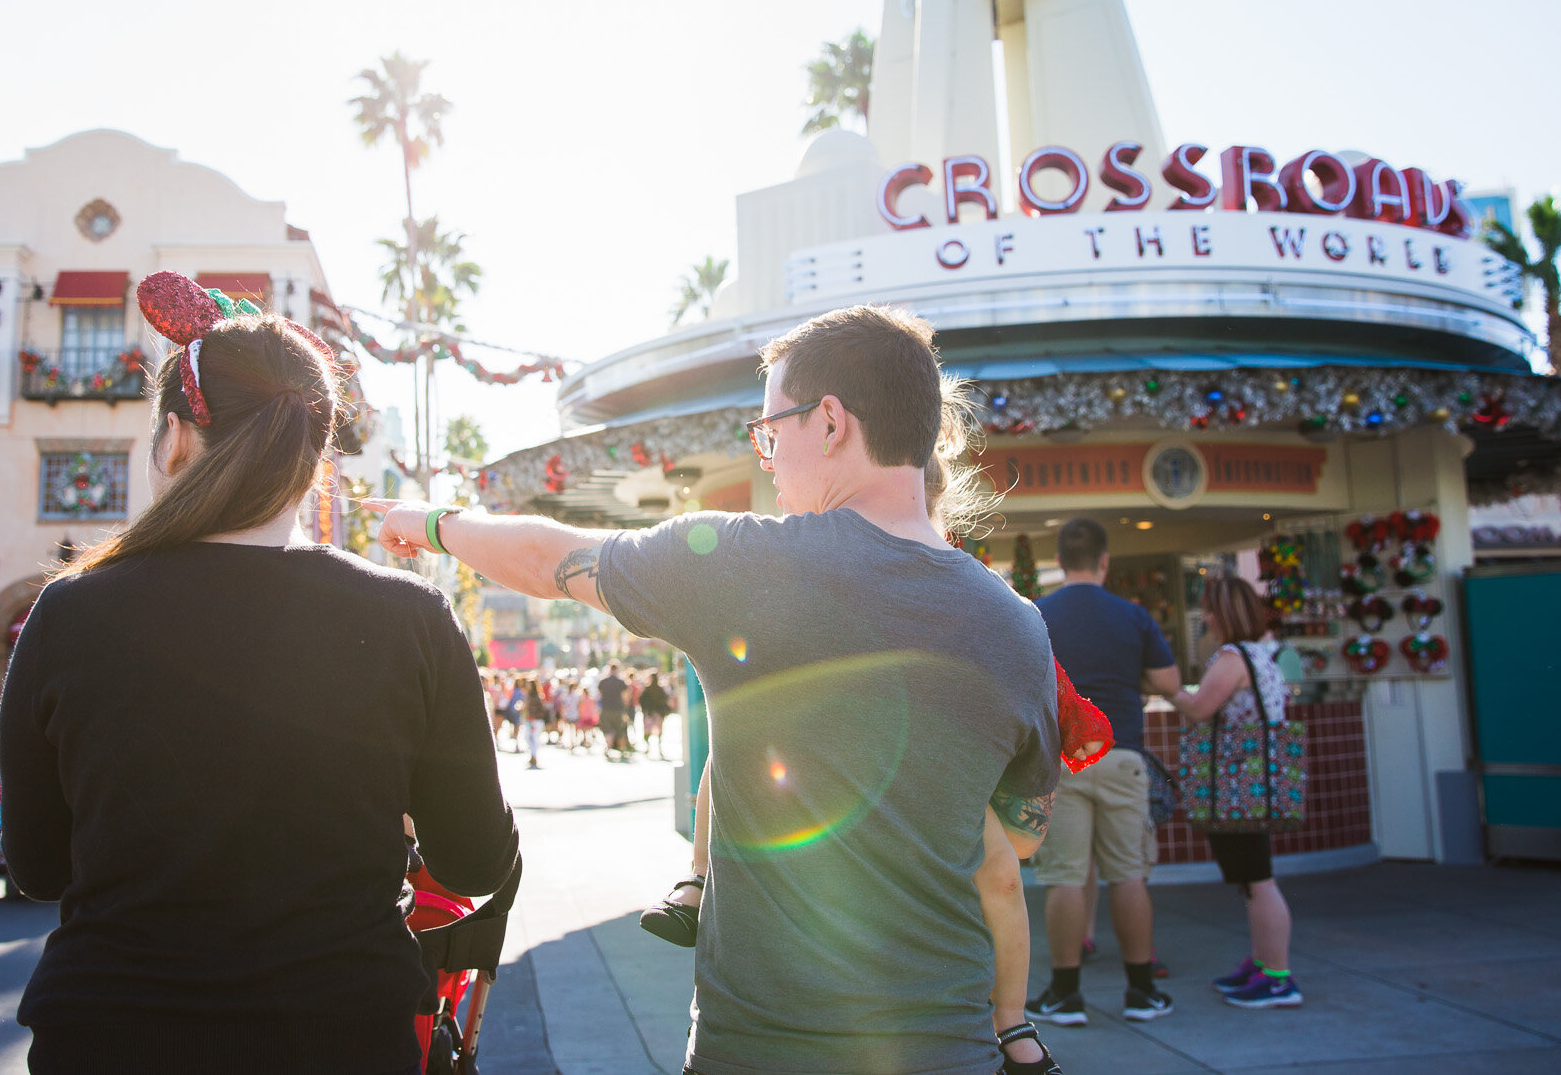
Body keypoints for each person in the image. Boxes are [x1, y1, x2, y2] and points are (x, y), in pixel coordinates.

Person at [371, 303, 1060, 1075]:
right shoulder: (1018, 626)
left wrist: (428, 523)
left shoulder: (740, 564)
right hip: (948, 1048)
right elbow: (1023, 829)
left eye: (771, 429)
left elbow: (545, 557)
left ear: (829, 422)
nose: (765, 454)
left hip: (761, 1048)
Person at [0, 272, 516, 1073]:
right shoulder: (409, 618)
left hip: (110, 1033)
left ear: (174, 437)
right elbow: (479, 856)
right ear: (315, 462)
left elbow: (36, 865)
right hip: (339, 1032)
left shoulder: (68, 612)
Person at [1026, 518, 1179, 1027]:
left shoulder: (1038, 615)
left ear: (1062, 561)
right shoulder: (1131, 616)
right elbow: (1170, 681)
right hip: (1122, 757)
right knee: (1128, 874)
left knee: (1065, 878)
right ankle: (1141, 992)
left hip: (1063, 760)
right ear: (1105, 560)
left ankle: (1065, 995)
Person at [1169, 577, 1303, 1009]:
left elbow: (1200, 707)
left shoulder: (1232, 658)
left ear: (1226, 613)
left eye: (1210, 609)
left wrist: (1167, 687)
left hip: (1236, 787)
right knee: (1251, 881)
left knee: (1258, 880)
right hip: (1254, 784)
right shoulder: (1263, 654)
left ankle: (1278, 976)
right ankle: (1265, 964)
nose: (1205, 617)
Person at [598, 661, 631, 760]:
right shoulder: (621, 682)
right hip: (618, 709)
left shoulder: (603, 682)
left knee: (607, 730)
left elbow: (599, 695)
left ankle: (608, 748)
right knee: (619, 729)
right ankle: (621, 748)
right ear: (617, 670)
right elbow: (625, 697)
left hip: (606, 708)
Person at [639, 671, 670, 757]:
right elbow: (665, 699)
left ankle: (648, 747)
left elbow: (641, 700)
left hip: (649, 713)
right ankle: (659, 749)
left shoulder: (647, 689)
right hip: (658, 713)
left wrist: (645, 710)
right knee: (659, 732)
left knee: (647, 731)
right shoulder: (660, 689)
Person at [521, 677, 547, 769]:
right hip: (530, 720)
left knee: (534, 738)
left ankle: (534, 756)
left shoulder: (536, 696)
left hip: (535, 720)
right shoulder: (528, 695)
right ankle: (532, 756)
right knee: (528, 737)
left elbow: (540, 709)